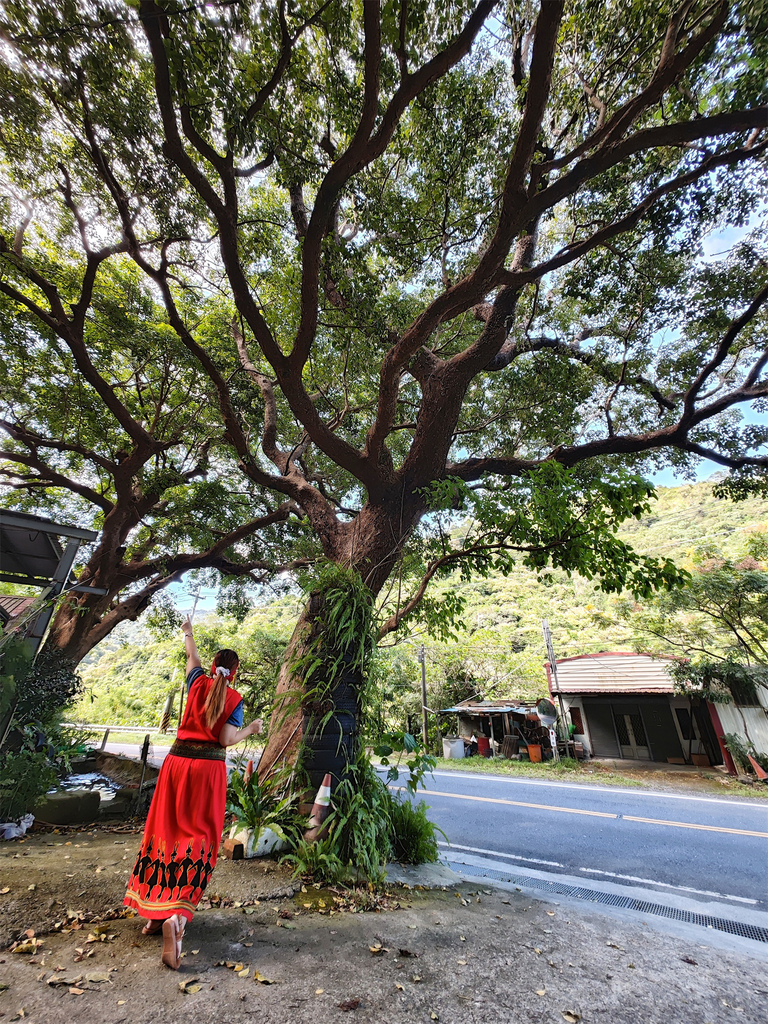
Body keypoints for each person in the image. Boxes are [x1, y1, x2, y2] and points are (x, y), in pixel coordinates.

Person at [124, 616, 263, 969]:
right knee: (200, 841)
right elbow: (226, 739)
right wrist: (251, 729)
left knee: (164, 834)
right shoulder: (234, 698)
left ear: (213, 667)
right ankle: (177, 920)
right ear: (235, 673)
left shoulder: (197, 682)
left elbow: (192, 657)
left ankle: (154, 916)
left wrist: (188, 631)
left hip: (176, 766)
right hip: (207, 772)